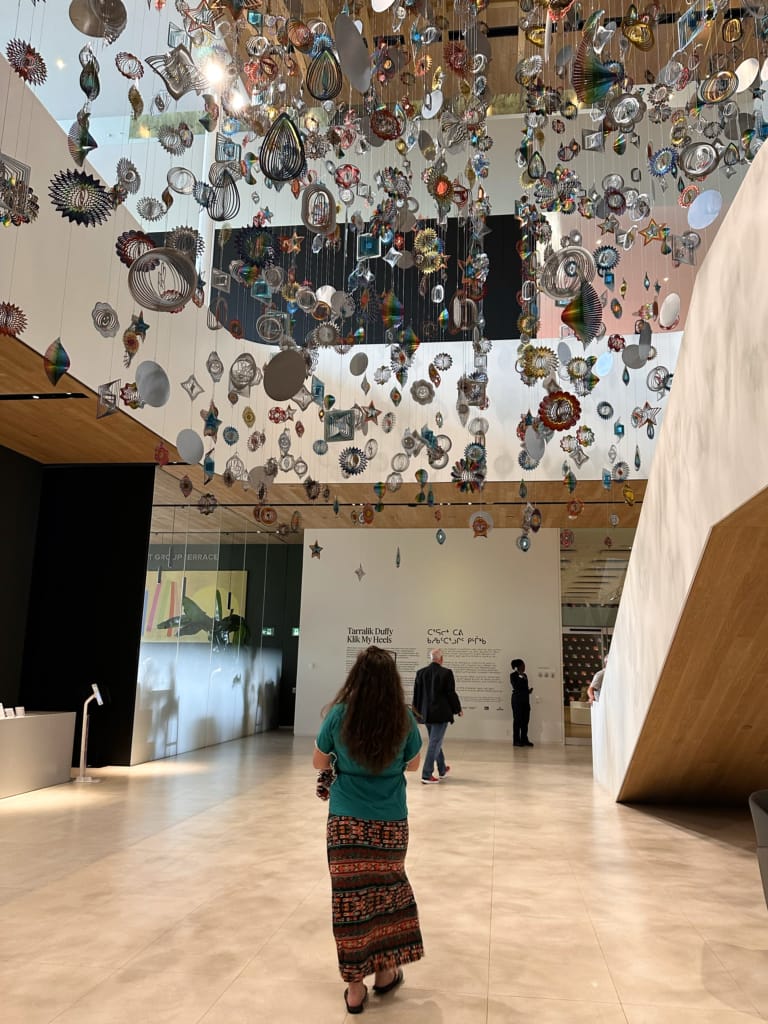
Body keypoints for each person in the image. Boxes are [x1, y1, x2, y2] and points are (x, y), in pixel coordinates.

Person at [313, 646, 424, 1014]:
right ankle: (386, 973)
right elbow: (412, 766)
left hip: (345, 821)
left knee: (349, 901)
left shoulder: (338, 714)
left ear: (355, 677)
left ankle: (355, 989)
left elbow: (317, 760)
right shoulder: (404, 718)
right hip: (390, 822)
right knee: (387, 895)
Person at [412, 648, 463, 784]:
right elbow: (451, 693)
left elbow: (417, 695)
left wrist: (416, 713)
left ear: (431, 658)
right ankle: (427, 774)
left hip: (426, 714)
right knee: (435, 742)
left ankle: (442, 769)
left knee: (435, 741)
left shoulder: (421, 673)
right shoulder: (446, 673)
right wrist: (458, 709)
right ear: (441, 659)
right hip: (440, 714)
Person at [510, 658, 534, 747]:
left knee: (525, 721)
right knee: (517, 721)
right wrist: (520, 676)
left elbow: (523, 688)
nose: (524, 667)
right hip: (517, 701)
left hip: (525, 701)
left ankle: (524, 739)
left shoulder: (525, 675)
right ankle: (516, 740)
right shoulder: (512, 675)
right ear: (517, 667)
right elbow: (516, 686)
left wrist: (528, 691)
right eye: (522, 665)